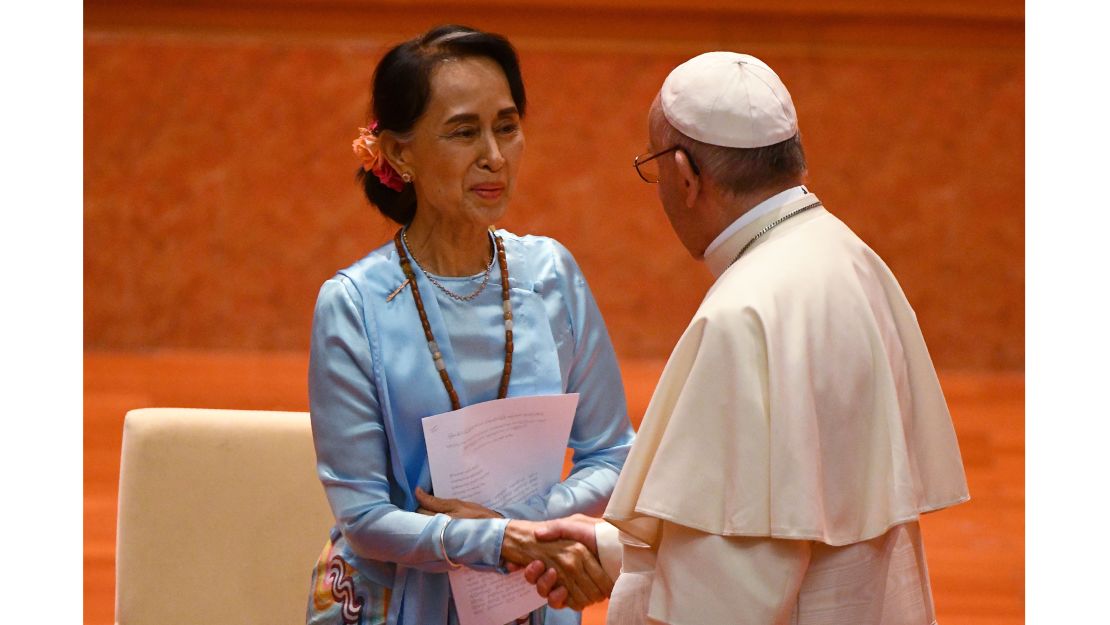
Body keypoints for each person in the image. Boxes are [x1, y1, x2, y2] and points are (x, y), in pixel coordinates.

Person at [514, 51, 970, 624]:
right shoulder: (849, 255)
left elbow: (727, 593)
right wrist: (613, 549)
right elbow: (768, 528)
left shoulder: (743, 314)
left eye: (653, 168)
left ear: (685, 174)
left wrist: (617, 577)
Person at [305, 25, 634, 625]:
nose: (495, 155)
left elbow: (613, 454)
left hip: (532, 593)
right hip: (395, 603)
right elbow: (364, 518)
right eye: (464, 131)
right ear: (400, 154)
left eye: (506, 127)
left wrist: (525, 524)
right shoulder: (353, 304)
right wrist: (499, 541)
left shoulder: (551, 275)